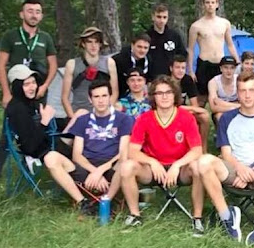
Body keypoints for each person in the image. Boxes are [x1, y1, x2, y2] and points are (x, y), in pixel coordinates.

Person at [197, 71, 254, 244]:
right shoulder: (227, 118)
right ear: (237, 92)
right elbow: (226, 153)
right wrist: (240, 169)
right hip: (233, 168)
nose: (247, 95)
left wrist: (250, 169)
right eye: (243, 90)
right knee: (204, 161)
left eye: (251, 90)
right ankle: (226, 216)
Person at [120, 75, 204, 236]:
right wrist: (152, 162)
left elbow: (197, 150)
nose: (164, 96)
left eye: (168, 92)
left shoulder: (186, 117)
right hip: (153, 170)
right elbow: (133, 151)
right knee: (127, 167)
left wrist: (177, 165)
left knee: (198, 166)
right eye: (159, 93)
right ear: (153, 97)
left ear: (175, 95)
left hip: (180, 168)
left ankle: (197, 218)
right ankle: (135, 215)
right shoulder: (145, 118)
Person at [2, 65, 92, 213]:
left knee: (81, 113)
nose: (32, 87)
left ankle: (91, 157)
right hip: (44, 151)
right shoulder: (18, 109)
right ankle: (83, 199)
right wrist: (44, 121)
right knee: (71, 144)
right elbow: (30, 145)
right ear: (18, 86)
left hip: (51, 142)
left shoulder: (27, 103)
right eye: (26, 84)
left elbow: (38, 132)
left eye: (33, 82)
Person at [0, 0, 58, 184]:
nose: (33, 15)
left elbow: (53, 65)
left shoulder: (45, 38)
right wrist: (6, 92)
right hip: (18, 93)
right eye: (30, 11)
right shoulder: (11, 36)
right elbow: (1, 64)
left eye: (37, 11)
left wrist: (44, 86)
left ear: (41, 15)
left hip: (38, 92)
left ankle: (35, 164)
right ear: (22, 14)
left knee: (39, 127)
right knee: (8, 133)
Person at [70, 80, 133, 200]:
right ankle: (82, 201)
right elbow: (76, 155)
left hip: (112, 165)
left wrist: (101, 171)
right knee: (52, 158)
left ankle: (107, 201)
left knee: (124, 163)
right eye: (96, 96)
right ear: (90, 99)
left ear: (110, 97)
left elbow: (123, 153)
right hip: (87, 165)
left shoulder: (124, 119)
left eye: (104, 96)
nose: (100, 100)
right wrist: (94, 171)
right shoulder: (82, 120)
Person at [187, 0, 240, 105]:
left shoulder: (224, 23)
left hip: (220, 64)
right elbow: (190, 49)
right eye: (207, 2)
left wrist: (237, 61)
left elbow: (230, 44)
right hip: (204, 64)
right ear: (203, 5)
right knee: (202, 98)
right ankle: (199, 121)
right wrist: (190, 70)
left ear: (217, 4)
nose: (210, 5)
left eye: (212, 2)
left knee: (221, 97)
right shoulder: (196, 26)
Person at [62, 27, 119, 120]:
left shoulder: (109, 62)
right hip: (79, 113)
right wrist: (72, 117)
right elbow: (65, 97)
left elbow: (115, 92)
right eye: (89, 42)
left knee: (119, 107)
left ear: (100, 44)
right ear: (83, 44)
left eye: (96, 42)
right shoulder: (72, 64)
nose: (93, 45)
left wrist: (107, 112)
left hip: (103, 113)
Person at [170, 55, 211, 151]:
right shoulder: (166, 81)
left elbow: (194, 104)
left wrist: (193, 110)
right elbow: (169, 107)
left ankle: (203, 149)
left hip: (182, 111)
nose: (180, 71)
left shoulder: (187, 80)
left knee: (204, 116)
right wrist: (192, 109)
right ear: (171, 68)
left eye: (183, 68)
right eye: (177, 67)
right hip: (167, 112)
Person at [146, 4, 187, 76]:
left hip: (171, 77)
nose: (162, 20)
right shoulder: (147, 37)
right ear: (153, 17)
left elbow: (182, 56)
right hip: (153, 78)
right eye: (159, 17)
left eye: (164, 17)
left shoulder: (174, 36)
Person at [208, 56, 240, 123]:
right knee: (220, 117)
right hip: (222, 112)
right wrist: (236, 107)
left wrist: (221, 103)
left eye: (232, 68)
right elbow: (213, 108)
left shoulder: (239, 80)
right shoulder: (213, 82)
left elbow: (244, 102)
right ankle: (221, 133)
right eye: (226, 67)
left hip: (238, 110)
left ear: (235, 69)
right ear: (221, 68)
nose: (229, 71)